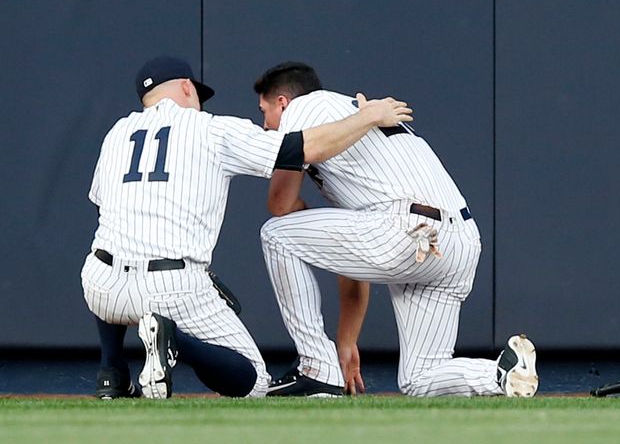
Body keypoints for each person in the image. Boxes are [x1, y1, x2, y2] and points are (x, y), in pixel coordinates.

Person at [82, 55, 412, 399]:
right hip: (172, 286)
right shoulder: (210, 128)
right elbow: (303, 148)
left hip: (102, 287)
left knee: (105, 254)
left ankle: (112, 371)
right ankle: (174, 341)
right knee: (253, 380)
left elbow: (105, 208)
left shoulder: (116, 133)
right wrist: (366, 117)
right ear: (185, 88)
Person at [255, 62, 539, 397]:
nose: (264, 124)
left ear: (283, 102)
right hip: (458, 242)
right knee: (420, 379)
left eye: (265, 112)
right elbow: (349, 260)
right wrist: (345, 341)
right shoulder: (348, 125)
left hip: (404, 226)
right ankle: (501, 374)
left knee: (276, 234)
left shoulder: (308, 105)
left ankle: (315, 368)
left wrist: (293, 210)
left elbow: (280, 203)